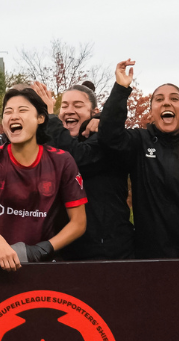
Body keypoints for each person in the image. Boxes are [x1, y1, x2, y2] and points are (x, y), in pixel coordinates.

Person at [98, 60, 179, 265]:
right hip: (151, 258)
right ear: (151, 113)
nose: (166, 103)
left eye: (174, 98)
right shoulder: (140, 141)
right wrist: (121, 89)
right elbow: (109, 137)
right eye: (159, 99)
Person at [0, 87, 88, 269]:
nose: (14, 116)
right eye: (8, 112)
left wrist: (41, 250)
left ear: (41, 118)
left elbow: (79, 223)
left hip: (45, 267)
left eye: (22, 110)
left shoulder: (62, 161)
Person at [32, 81, 127, 261]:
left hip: (107, 253)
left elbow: (76, 158)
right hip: (63, 250)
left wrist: (50, 117)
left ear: (94, 112)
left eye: (78, 105)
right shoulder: (52, 141)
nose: (69, 110)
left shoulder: (105, 140)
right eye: (64, 106)